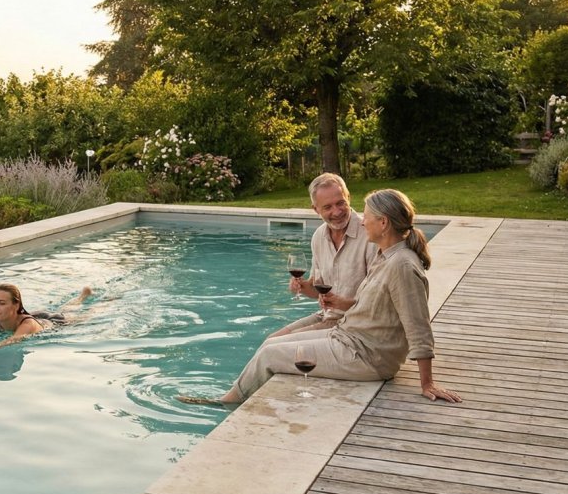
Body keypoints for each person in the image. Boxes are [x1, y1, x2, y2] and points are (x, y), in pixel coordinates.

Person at [182, 189, 462, 405]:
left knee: (269, 355)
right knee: (272, 343)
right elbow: (374, 308)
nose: (362, 221)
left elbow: (418, 325)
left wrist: (427, 383)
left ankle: (227, 403)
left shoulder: (401, 265)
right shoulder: (385, 256)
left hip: (366, 356)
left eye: (366, 216)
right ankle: (234, 395)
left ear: (384, 223)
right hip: (348, 337)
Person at [271, 172, 377, 338]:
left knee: (275, 348)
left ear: (348, 197)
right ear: (316, 209)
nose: (337, 212)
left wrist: (341, 303)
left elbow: (378, 301)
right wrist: (302, 286)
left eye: (340, 203)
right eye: (328, 207)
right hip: (327, 316)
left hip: (356, 324)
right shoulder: (319, 237)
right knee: (271, 340)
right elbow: (317, 290)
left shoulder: (370, 234)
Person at [0, 284, 92, 355]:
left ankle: (92, 300)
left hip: (52, 323)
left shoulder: (27, 324)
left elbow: (9, 341)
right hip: (35, 314)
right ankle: (81, 296)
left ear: (15, 305)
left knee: (77, 316)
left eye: (2, 303)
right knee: (64, 308)